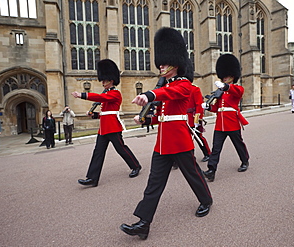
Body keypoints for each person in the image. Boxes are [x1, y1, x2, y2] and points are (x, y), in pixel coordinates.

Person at [120, 27, 213, 240]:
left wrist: (151, 94)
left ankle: (206, 200)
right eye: (160, 62)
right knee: (154, 183)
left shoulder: (184, 85)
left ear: (175, 62)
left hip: (179, 140)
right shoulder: (166, 85)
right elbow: (163, 115)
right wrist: (146, 119)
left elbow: (169, 95)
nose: (161, 66)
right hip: (162, 144)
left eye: (164, 62)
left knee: (193, 174)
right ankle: (143, 223)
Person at [71, 59, 142, 187]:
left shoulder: (115, 93)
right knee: (98, 152)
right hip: (103, 129)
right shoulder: (107, 93)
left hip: (113, 127)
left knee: (121, 149)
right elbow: (104, 113)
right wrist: (94, 115)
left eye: (105, 80)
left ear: (111, 80)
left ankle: (136, 166)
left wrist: (82, 95)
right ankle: (92, 178)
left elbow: (101, 98)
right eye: (102, 80)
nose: (103, 83)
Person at [202, 54, 250, 182]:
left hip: (232, 123)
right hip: (220, 124)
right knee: (216, 148)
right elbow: (217, 108)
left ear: (232, 77)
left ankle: (245, 160)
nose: (224, 78)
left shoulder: (237, 88)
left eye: (226, 77)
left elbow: (236, 92)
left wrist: (226, 87)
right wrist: (207, 107)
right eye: (223, 77)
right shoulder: (220, 93)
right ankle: (211, 170)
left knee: (238, 144)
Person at [187, 84, 211, 162]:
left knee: (198, 137)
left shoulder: (195, 89)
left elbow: (199, 104)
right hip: (183, 118)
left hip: (193, 118)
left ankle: (207, 153)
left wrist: (198, 119)